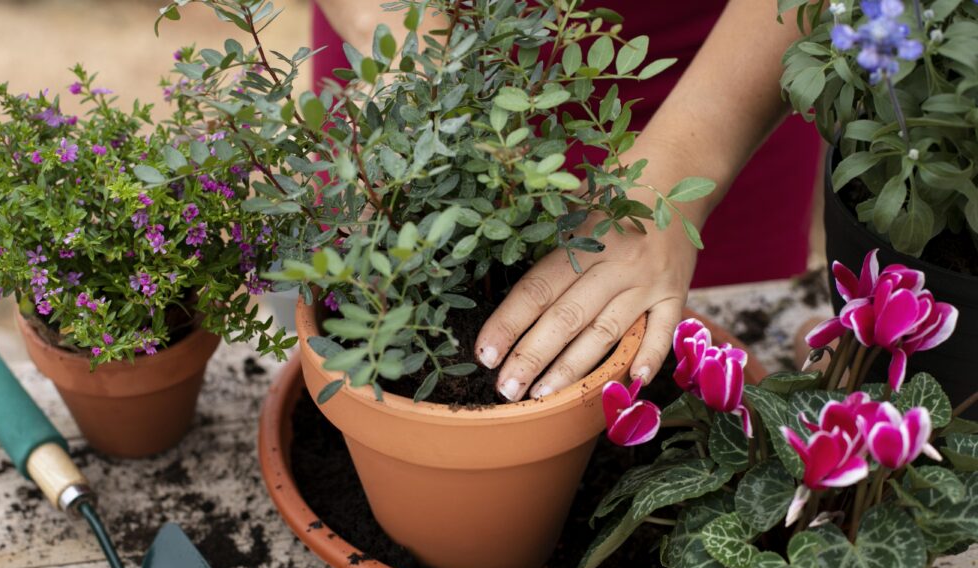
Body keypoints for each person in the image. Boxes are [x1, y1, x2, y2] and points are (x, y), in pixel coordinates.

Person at [312, 0, 821, 401]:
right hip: (406, 55)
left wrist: (680, 169)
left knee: (683, 354)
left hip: (724, 79)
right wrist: (407, 53)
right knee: (374, 292)